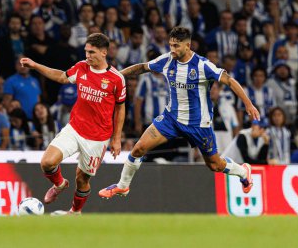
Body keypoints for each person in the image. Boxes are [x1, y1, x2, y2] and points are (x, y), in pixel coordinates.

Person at [99, 27, 260, 199]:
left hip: (198, 124)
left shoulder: (202, 65)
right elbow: (143, 67)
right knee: (139, 148)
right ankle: (123, 186)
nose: (173, 50)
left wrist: (248, 104)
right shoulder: (167, 60)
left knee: (215, 165)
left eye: (176, 46)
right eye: (170, 45)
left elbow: (229, 80)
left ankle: (243, 172)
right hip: (171, 119)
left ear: (188, 45)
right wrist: (116, 76)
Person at [20, 33, 126, 215]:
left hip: (97, 138)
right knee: (47, 162)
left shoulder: (116, 79)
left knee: (82, 179)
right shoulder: (82, 67)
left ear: (103, 52)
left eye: (91, 52)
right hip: (75, 128)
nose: (87, 56)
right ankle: (60, 183)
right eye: (86, 52)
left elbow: (120, 109)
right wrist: (35, 65)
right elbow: (61, 76)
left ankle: (75, 212)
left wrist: (116, 139)